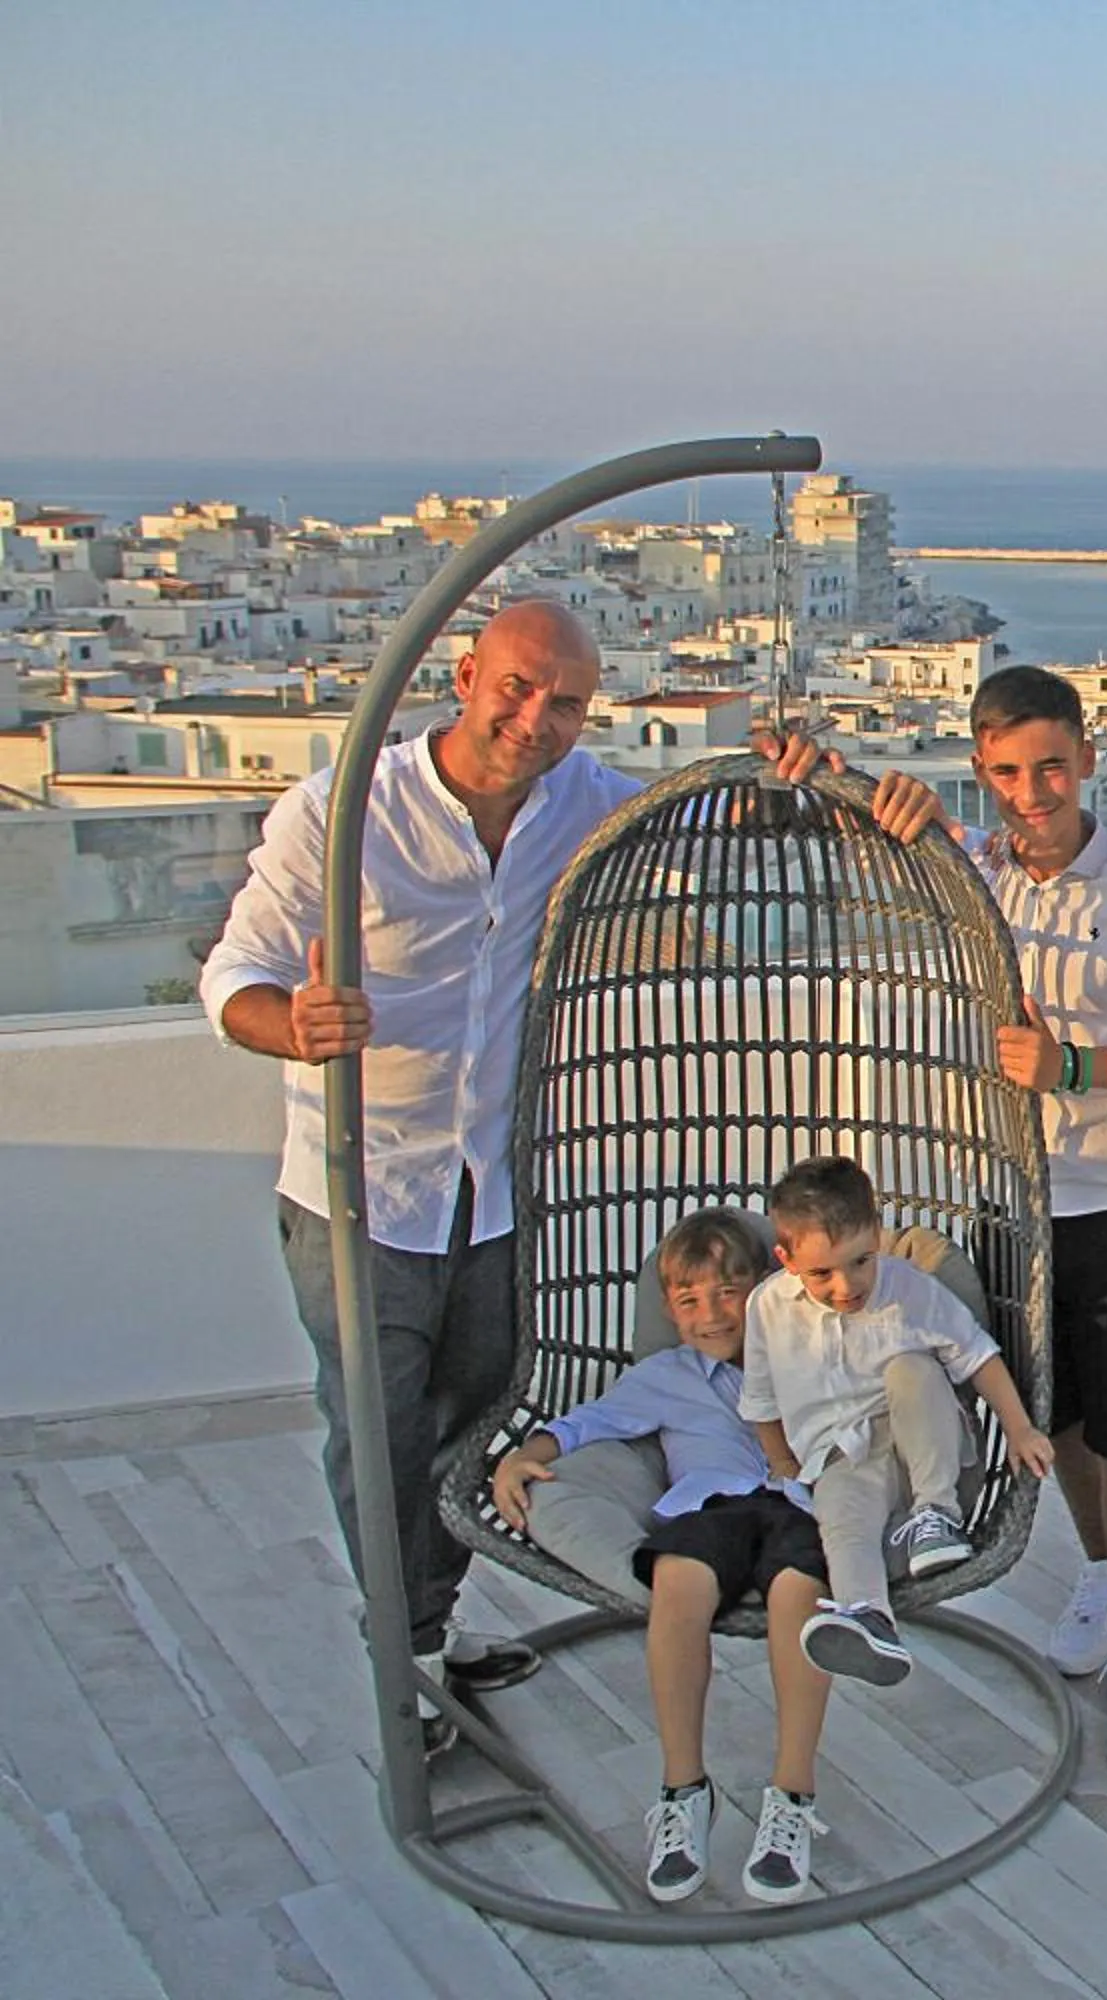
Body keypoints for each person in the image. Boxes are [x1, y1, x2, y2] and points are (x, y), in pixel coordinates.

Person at [200, 598, 833, 1756]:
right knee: (377, 1432)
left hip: (494, 1190)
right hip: (362, 1190)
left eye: (568, 702)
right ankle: (406, 1661)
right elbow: (234, 971)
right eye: (519, 686)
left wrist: (786, 775)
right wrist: (293, 1024)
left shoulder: (583, 803)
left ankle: (430, 1630)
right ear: (464, 673)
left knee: (467, 1425)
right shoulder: (345, 812)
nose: (536, 717)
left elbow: (709, 825)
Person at [867, 664, 1107, 1783]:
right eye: (1005, 771)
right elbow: (885, 828)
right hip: (1011, 1200)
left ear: (1088, 758)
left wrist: (1063, 1063)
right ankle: (1102, 1577)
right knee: (1057, 1421)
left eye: (1049, 764)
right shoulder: (978, 878)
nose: (1031, 790)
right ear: (983, 772)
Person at [489, 1210, 833, 1905]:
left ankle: (792, 1794)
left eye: (729, 1291)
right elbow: (587, 1423)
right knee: (676, 1577)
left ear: (766, 1287)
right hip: (711, 1508)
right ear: (672, 1315)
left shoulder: (808, 1351)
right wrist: (524, 1456)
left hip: (800, 1505)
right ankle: (683, 1792)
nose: (712, 1313)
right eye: (689, 1301)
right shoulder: (665, 1376)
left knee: (802, 1590)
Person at [741, 1155, 1054, 1687]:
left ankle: (936, 1519)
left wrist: (1020, 1427)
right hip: (842, 1454)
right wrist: (783, 1465)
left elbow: (977, 1355)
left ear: (878, 1236)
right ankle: (867, 1616)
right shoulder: (767, 1308)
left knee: (911, 1368)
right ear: (786, 1259)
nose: (846, 1285)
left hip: (927, 1443)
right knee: (841, 1516)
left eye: (861, 1261)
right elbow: (761, 1399)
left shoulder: (908, 1290)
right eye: (822, 1273)